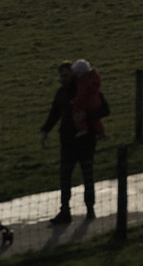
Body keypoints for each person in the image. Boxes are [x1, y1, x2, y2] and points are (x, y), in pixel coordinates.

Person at [40, 60, 98, 223]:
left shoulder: (86, 89)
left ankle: (90, 208)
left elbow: (103, 109)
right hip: (67, 140)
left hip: (85, 139)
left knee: (87, 174)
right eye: (62, 76)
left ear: (73, 74)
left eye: (66, 75)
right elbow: (54, 113)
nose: (64, 78)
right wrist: (45, 130)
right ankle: (65, 210)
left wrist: (86, 116)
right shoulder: (61, 93)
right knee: (65, 176)